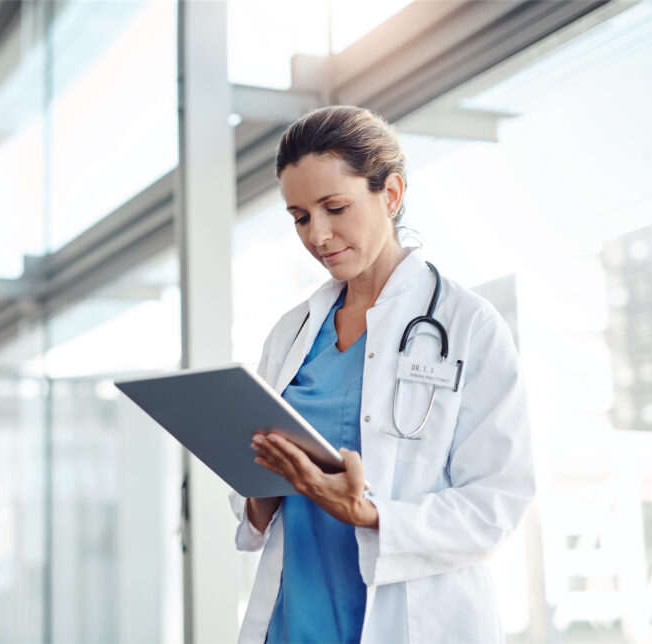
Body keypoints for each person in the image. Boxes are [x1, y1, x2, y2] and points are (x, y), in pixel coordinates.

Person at [228, 105, 535, 644]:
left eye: (335, 207)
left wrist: (369, 514)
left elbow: (497, 503)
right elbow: (257, 500)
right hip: (293, 621)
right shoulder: (291, 333)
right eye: (300, 216)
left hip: (413, 621)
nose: (318, 235)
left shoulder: (467, 325)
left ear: (390, 195)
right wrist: (264, 488)